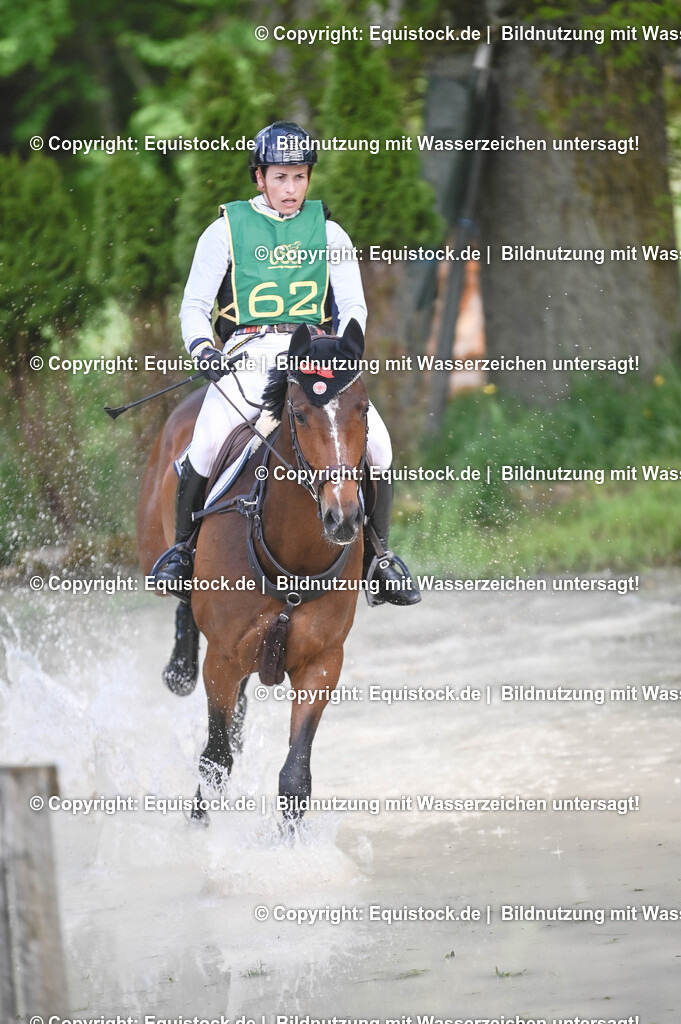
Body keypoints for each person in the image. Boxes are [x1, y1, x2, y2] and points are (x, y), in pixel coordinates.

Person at [153, 120, 420, 606]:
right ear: (259, 178)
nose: (291, 189)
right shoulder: (223, 231)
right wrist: (203, 348)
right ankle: (183, 554)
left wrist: (342, 348)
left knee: (379, 447)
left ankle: (378, 559)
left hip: (315, 354)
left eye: (299, 177)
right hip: (248, 353)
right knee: (206, 444)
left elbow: (353, 305)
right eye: (280, 177)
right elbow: (194, 306)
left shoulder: (330, 233)